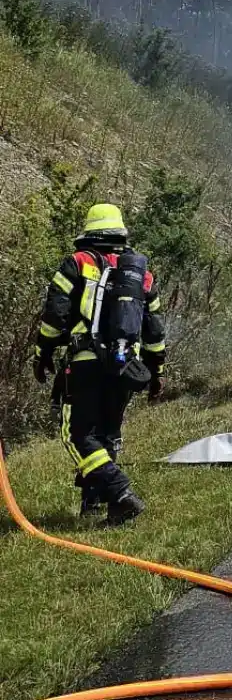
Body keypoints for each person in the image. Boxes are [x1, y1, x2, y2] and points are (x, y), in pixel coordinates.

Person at [31, 203, 166, 523]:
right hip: (125, 367)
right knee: (105, 434)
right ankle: (98, 507)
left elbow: (54, 317)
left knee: (77, 435)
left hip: (86, 363)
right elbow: (155, 329)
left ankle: (120, 492)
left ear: (89, 231)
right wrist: (157, 370)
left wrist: (43, 353)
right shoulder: (141, 274)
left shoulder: (78, 263)